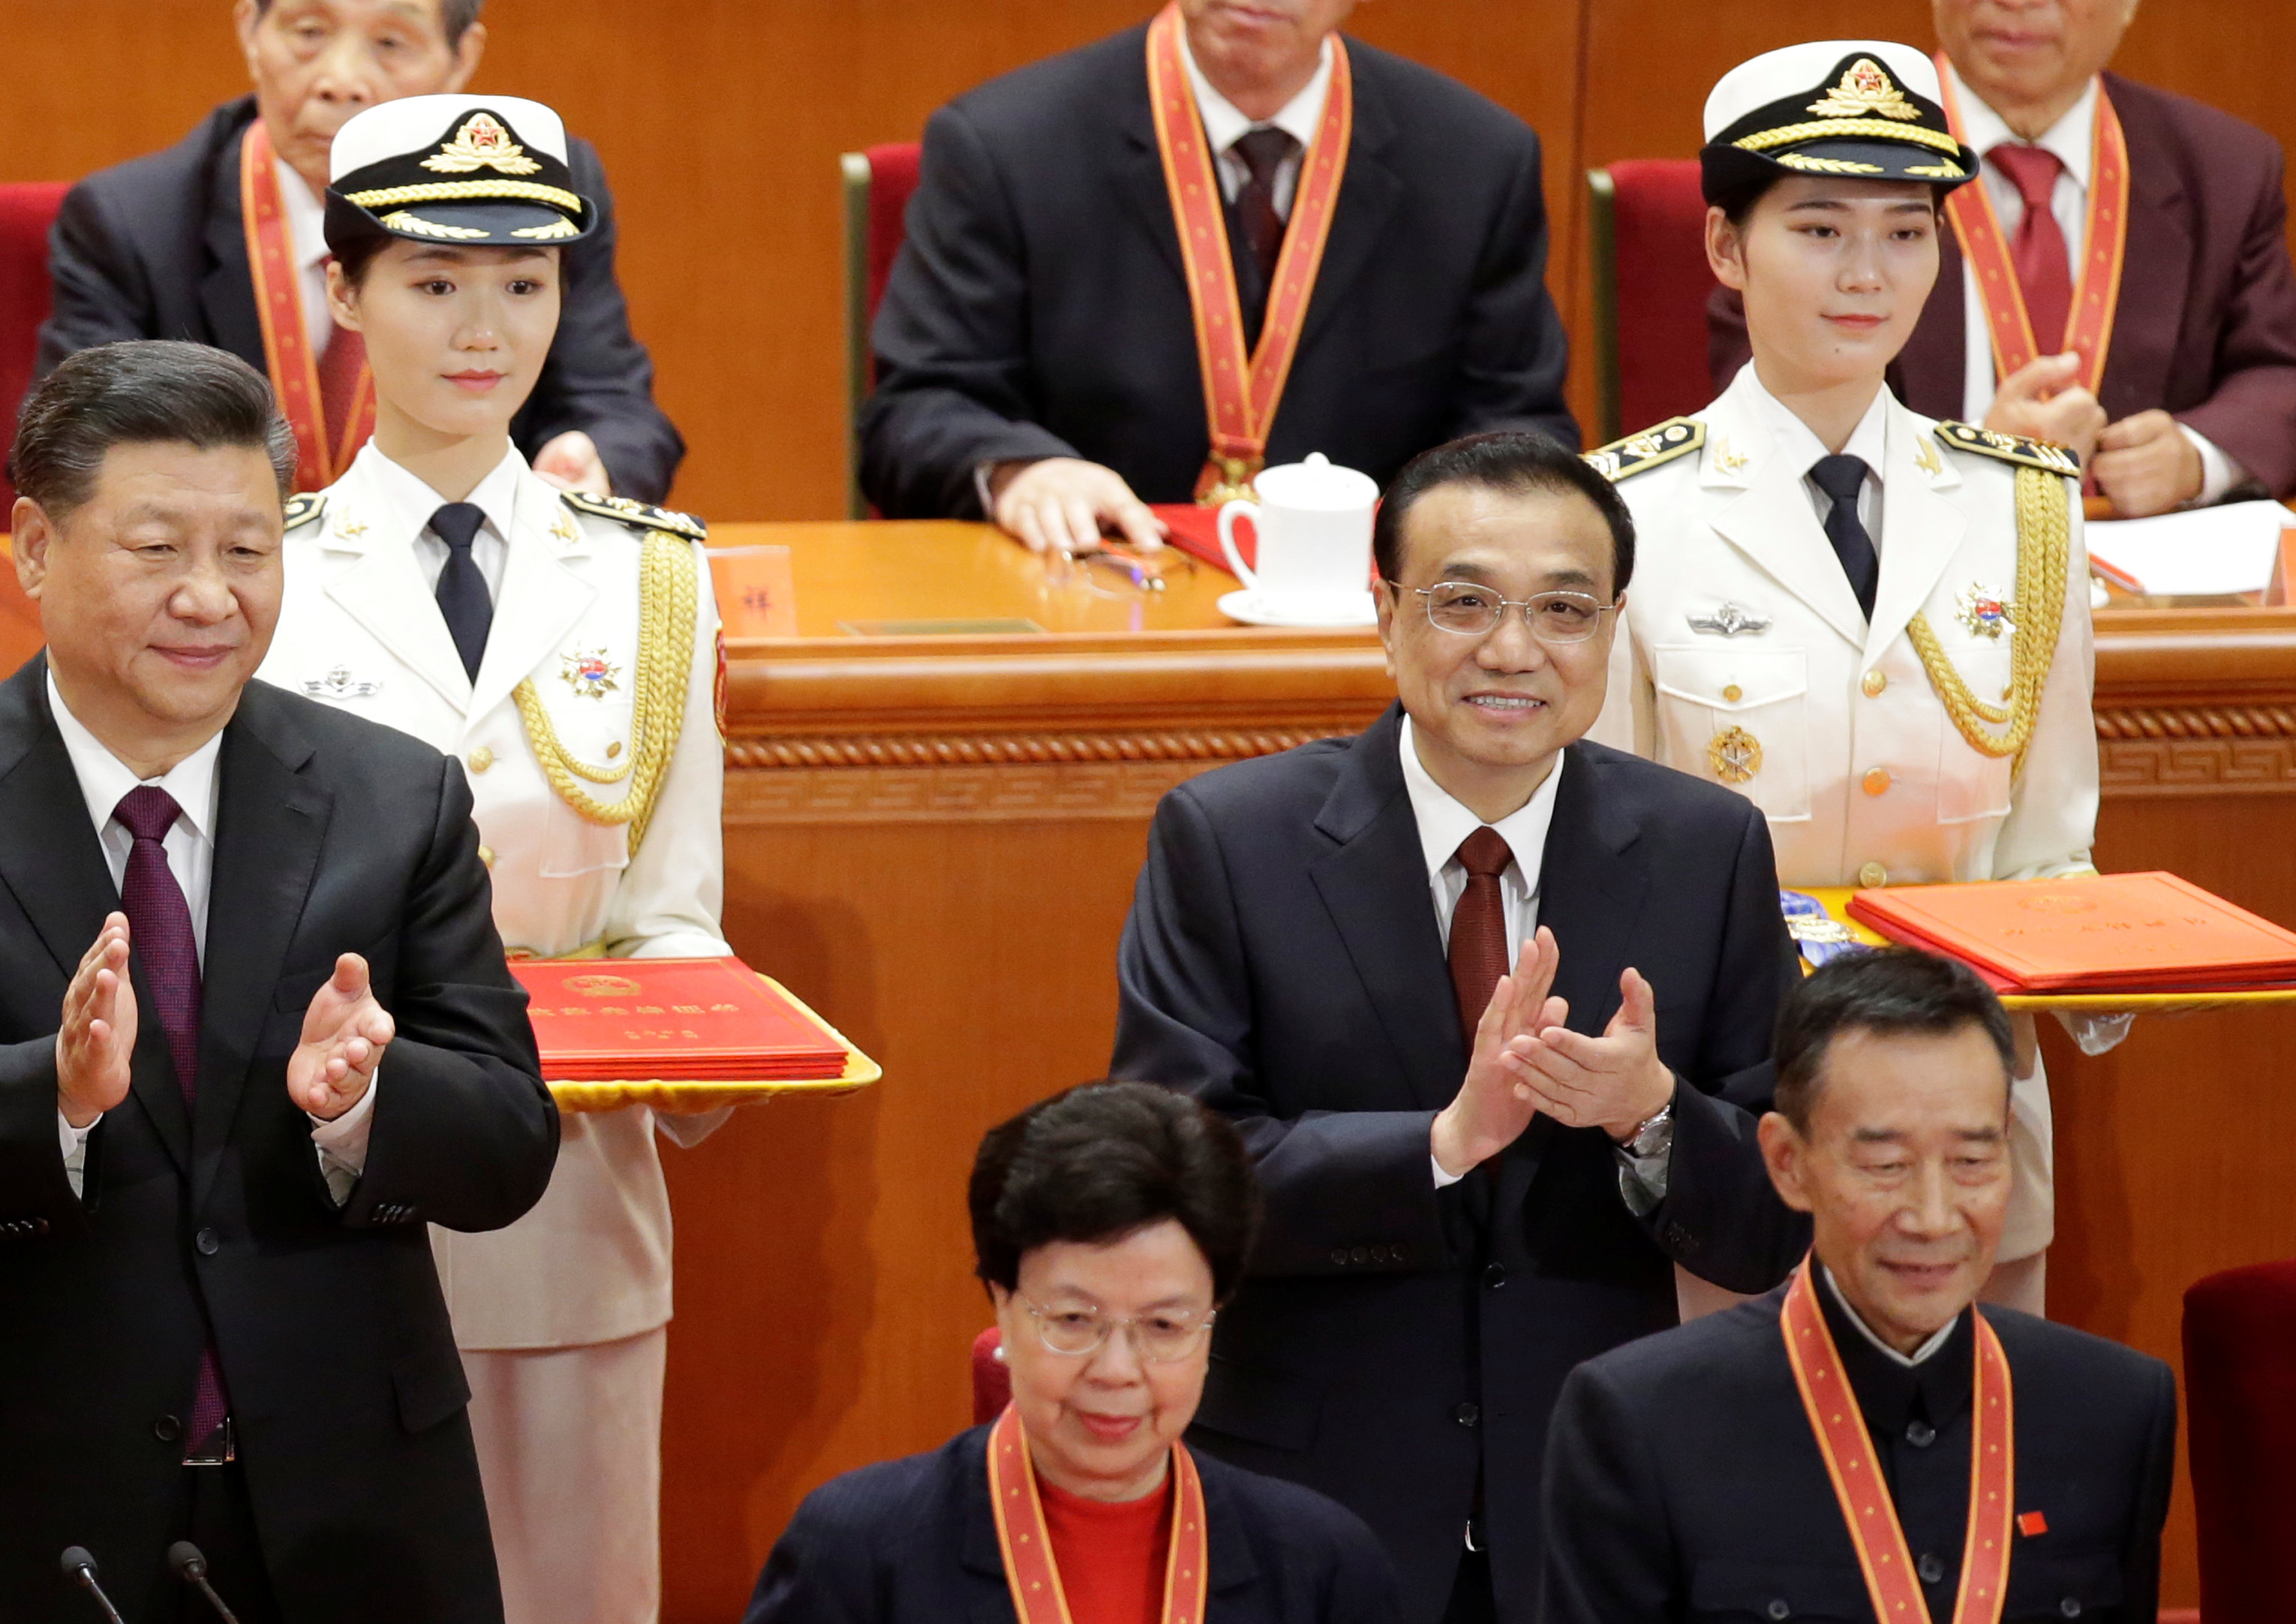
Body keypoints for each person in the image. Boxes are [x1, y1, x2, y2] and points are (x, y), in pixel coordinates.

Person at [0, 340, 557, 1623]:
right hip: (16, 1517)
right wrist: (52, 1099)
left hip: (346, 1508)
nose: (210, 596)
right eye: (157, 550)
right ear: (34, 545)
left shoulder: (393, 799)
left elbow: (513, 1137)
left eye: (248, 551)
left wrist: (362, 1105)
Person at [1113, 431, 1808, 1623]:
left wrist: (1651, 1117)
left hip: (1594, 1503)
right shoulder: (1229, 842)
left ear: (1615, 627)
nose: (1512, 649)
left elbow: (1777, 1221)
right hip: (1310, 1499)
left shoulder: (1709, 848)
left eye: (1563, 610)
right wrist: (1438, 1145)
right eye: (1464, 601)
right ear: (1383, 610)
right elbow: (1179, 1180)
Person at [250, 95, 725, 1624]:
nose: (485, 327)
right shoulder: (263, 566)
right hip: (316, 1198)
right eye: (434, 281)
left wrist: (714, 1044)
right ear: (345, 292)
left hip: (573, 1209)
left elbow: (672, 914)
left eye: (524, 284)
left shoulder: (656, 576)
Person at [1594, 41, 2096, 1319]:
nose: (1868, 273)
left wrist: (2110, 968)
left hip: (1965, 1127)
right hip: (1740, 1126)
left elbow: (2049, 847)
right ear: (1723, 247)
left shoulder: (2026, 507)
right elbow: (1603, 863)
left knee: (1976, 1488)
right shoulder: (1620, 512)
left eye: (1906, 230)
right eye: (1819, 227)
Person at [1540, 948, 2175, 1623]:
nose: (1932, 1219)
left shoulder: (2116, 1412)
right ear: (1788, 1163)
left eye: (1971, 1161)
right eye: (1885, 1164)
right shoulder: (1643, 1422)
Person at [861, 0, 1578, 552]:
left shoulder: (1475, 160)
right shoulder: (1005, 145)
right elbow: (916, 410)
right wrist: (1021, 470)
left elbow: (1519, 424)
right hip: (1089, 596)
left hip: (1369, 637)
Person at [744, 1081, 1405, 1624]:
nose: (1116, 1371)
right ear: (1001, 1302)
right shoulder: (858, 1553)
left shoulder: (1322, 1567)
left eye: (1164, 1327)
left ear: (1213, 1320)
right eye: (1073, 1319)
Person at [38, 0, 681, 500]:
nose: (340, 82)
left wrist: (584, 462)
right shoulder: (132, 222)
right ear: (249, 31)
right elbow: (73, 451)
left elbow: (615, 408)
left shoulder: (545, 187)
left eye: (390, 43)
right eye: (309, 32)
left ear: (461, 57)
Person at [1708, 2, 2296, 513]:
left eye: (1906, 234)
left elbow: (2279, 370)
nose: (2016, 2)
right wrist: (1971, 463)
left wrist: (2197, 457)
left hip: (2142, 564)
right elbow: (1771, 391)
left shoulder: (2227, 168)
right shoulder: (1808, 145)